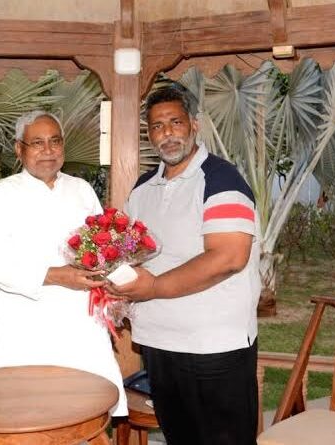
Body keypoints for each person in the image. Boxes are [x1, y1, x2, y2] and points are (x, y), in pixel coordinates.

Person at [110, 83, 261, 444]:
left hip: (214, 346)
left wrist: (153, 287)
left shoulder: (222, 179)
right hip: (158, 343)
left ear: (194, 124)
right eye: (157, 126)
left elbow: (229, 257)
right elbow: (131, 253)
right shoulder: (142, 188)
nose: (167, 133)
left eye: (175, 122)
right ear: (149, 135)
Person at [0, 110, 127, 416]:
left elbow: (103, 247)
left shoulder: (81, 189)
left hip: (81, 325)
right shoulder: (1, 194)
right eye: (37, 143)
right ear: (19, 149)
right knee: (24, 416)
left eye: (55, 141)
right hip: (25, 326)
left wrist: (113, 279)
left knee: (87, 413)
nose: (48, 150)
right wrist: (56, 276)